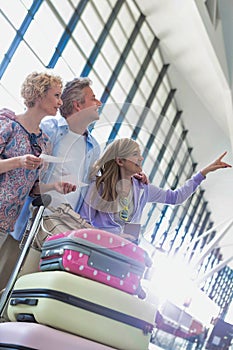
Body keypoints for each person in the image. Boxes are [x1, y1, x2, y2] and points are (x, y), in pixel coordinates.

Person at [0, 71, 75, 292]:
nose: (60, 102)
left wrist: (54, 186)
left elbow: (32, 188)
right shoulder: (8, 125)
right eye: (57, 96)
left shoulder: (44, 142)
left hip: (5, 221)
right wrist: (19, 161)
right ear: (40, 95)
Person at [80, 138, 231, 242]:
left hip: (127, 254)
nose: (141, 158)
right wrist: (112, 236)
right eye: (135, 154)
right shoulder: (99, 186)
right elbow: (83, 222)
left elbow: (175, 198)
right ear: (120, 161)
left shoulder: (142, 189)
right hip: (101, 250)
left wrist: (203, 173)